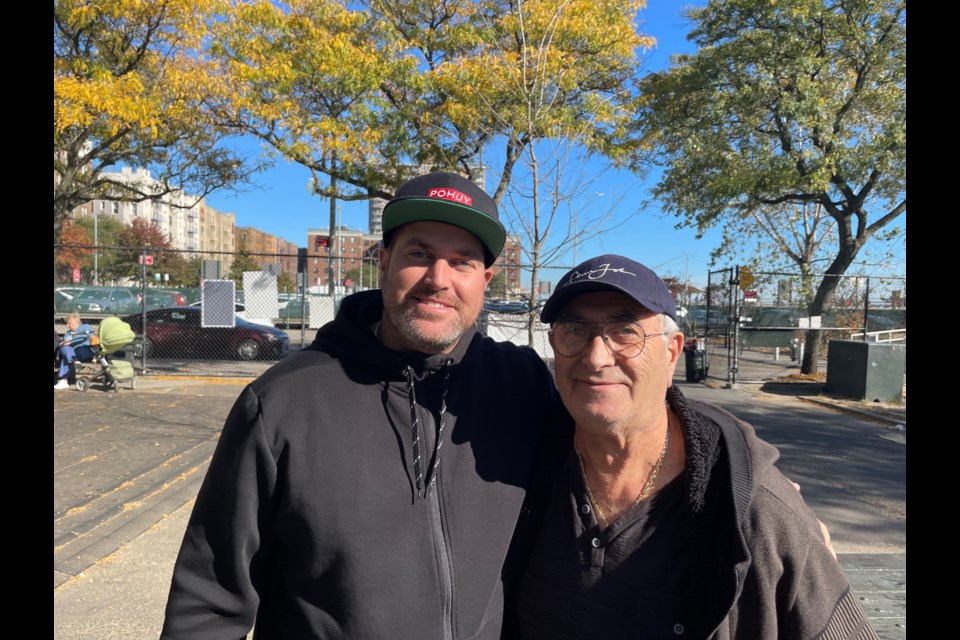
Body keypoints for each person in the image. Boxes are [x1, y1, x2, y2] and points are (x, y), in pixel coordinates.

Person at [159, 172, 570, 639]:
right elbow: (210, 599)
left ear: (485, 280)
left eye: (462, 262)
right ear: (384, 260)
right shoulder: (285, 402)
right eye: (419, 254)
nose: (439, 279)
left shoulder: (524, 384)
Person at [512, 254, 877, 639]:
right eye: (574, 329)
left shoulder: (755, 510)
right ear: (553, 344)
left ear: (672, 352)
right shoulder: (521, 469)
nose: (596, 356)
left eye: (625, 331)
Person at [55, 312, 95, 390]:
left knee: (67, 356)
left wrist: (72, 342)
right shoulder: (68, 333)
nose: (67, 325)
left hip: (84, 349)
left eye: (69, 323)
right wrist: (66, 343)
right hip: (73, 352)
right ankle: (74, 360)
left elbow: (88, 337)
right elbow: (66, 341)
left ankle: (62, 380)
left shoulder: (85, 327)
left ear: (75, 321)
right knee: (64, 346)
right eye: (66, 323)